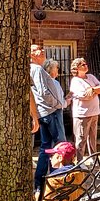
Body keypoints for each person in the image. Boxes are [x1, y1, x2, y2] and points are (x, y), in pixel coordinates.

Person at [31, 45, 66, 190]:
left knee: (46, 148)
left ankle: (41, 183)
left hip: (43, 112)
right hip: (51, 112)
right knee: (61, 147)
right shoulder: (37, 69)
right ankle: (59, 181)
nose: (42, 50)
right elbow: (44, 92)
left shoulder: (32, 69)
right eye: (37, 48)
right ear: (31, 54)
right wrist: (58, 104)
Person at [69, 58, 100, 161]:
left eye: (85, 64)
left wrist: (92, 89)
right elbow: (83, 95)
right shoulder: (75, 81)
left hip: (94, 112)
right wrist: (95, 91)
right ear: (77, 68)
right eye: (82, 65)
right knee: (81, 138)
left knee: (93, 137)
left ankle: (94, 158)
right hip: (82, 114)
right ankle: (80, 160)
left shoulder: (91, 77)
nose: (85, 66)